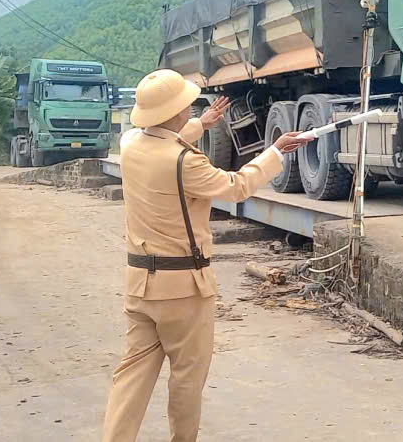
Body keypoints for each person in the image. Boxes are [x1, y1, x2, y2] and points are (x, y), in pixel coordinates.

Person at [101, 69, 308, 442]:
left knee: (131, 374)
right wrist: (275, 152)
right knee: (186, 378)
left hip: (140, 286)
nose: (190, 108)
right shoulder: (185, 162)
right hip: (183, 289)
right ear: (176, 110)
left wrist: (201, 124)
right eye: (186, 105)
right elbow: (236, 186)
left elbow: (166, 137)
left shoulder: (130, 144)